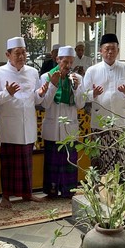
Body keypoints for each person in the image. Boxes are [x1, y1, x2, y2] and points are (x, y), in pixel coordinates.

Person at [0, 37, 45, 208]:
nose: (21, 56)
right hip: (10, 126)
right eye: (17, 53)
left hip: (28, 123)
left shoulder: (32, 72)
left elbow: (34, 98)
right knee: (8, 163)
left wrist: (41, 93)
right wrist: (8, 93)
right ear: (8, 54)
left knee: (27, 162)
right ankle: (5, 196)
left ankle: (27, 193)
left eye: (23, 52)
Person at [83, 33, 125, 174]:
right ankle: (102, 193)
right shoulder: (92, 70)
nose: (110, 52)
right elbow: (84, 96)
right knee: (102, 161)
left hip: (122, 123)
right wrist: (93, 94)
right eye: (107, 49)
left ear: (118, 50)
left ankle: (122, 193)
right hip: (101, 124)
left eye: (113, 49)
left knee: (124, 161)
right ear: (101, 50)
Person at [40, 45, 85, 198]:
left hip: (69, 128)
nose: (68, 66)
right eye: (65, 61)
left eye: (70, 62)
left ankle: (68, 190)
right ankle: (51, 191)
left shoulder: (77, 78)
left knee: (69, 161)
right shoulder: (46, 76)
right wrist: (53, 84)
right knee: (52, 161)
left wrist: (76, 88)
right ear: (57, 59)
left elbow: (80, 104)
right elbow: (45, 104)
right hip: (52, 127)